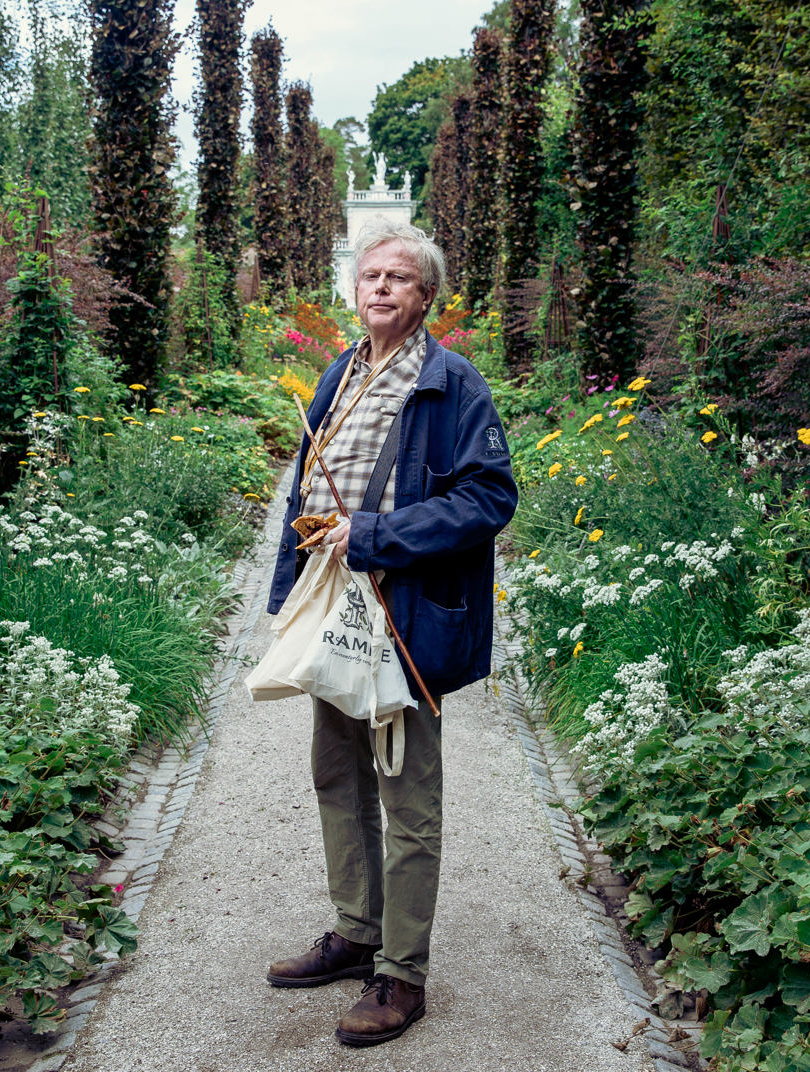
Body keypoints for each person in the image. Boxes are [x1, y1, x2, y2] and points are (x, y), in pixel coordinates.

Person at [263, 220, 518, 1047]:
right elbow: (308, 486)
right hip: (335, 608)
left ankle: (401, 974)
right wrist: (286, 595)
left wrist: (375, 536)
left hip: (403, 617)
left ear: (425, 296)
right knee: (336, 775)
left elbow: (488, 500)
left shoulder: (453, 386)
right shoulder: (339, 373)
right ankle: (354, 931)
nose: (379, 288)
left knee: (406, 794)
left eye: (398, 278)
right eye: (370, 275)